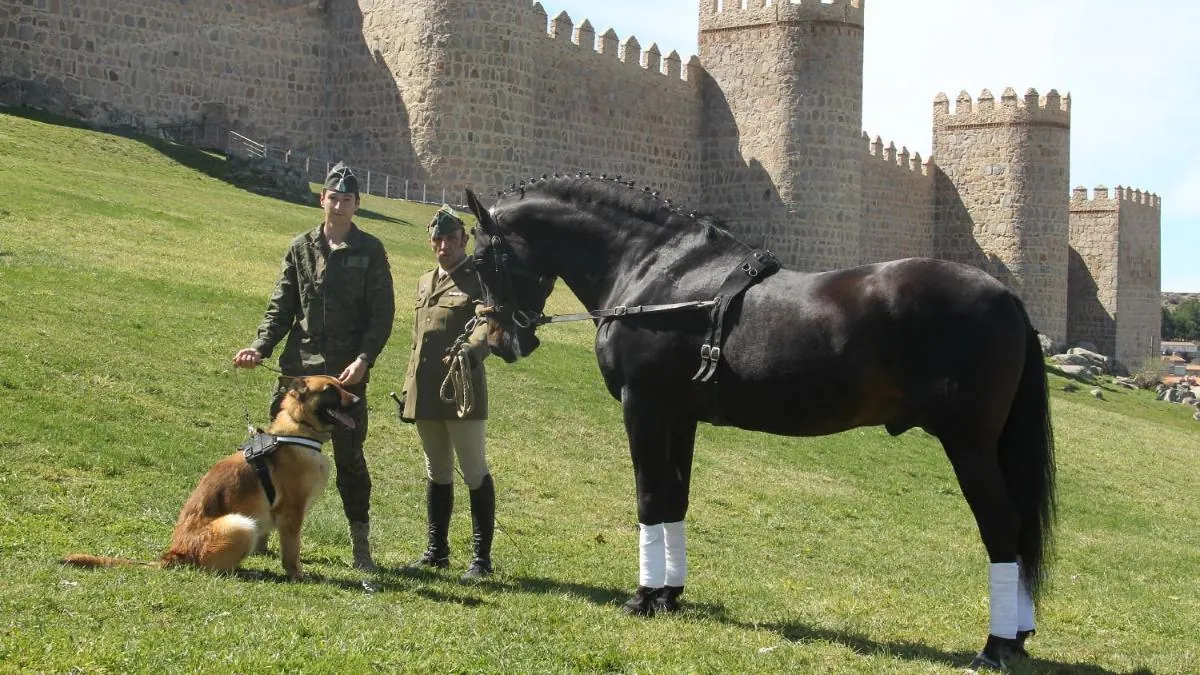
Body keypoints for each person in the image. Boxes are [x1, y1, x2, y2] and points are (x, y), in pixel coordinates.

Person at [232, 162, 395, 572]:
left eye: (347, 200)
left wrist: (363, 359)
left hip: (343, 380)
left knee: (351, 460)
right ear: (322, 199)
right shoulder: (300, 247)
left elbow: (381, 315)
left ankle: (361, 545)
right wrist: (259, 348)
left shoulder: (370, 251)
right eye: (333, 198)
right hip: (298, 379)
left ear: (357, 205)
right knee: (268, 455)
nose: (339, 206)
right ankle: (264, 535)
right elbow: (281, 307)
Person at [398, 205, 496, 580]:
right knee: (437, 470)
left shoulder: (479, 279)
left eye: (450, 239)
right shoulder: (425, 281)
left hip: (462, 391)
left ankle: (480, 560)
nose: (443, 246)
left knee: (474, 471)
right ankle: (437, 551)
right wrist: (408, 392)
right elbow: (416, 343)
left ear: (464, 240)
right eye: (437, 240)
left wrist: (471, 351)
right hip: (424, 392)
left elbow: (489, 324)